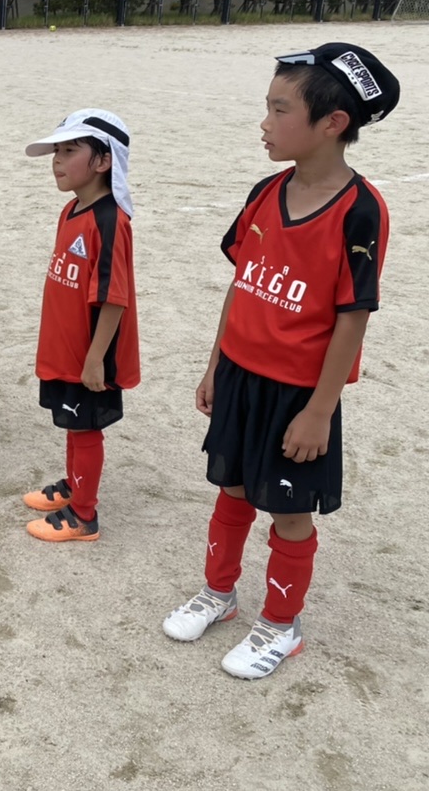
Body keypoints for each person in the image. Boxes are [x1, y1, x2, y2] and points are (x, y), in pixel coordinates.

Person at [162, 43, 399, 680]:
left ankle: (281, 624)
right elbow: (242, 283)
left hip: (298, 394)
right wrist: (216, 364)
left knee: (289, 512)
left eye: (279, 109)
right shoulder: (266, 190)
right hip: (241, 375)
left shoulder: (361, 211)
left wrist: (320, 410)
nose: (264, 123)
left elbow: (353, 318)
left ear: (333, 123)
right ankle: (219, 593)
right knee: (232, 489)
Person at [21, 109, 139, 541]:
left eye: (70, 150)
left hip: (91, 352)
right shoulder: (72, 208)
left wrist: (95, 359)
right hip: (67, 346)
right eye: (57, 151)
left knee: (86, 427)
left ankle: (84, 516)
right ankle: (75, 486)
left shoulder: (110, 221)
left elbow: (113, 298)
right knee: (73, 422)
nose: (57, 160)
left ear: (104, 161)